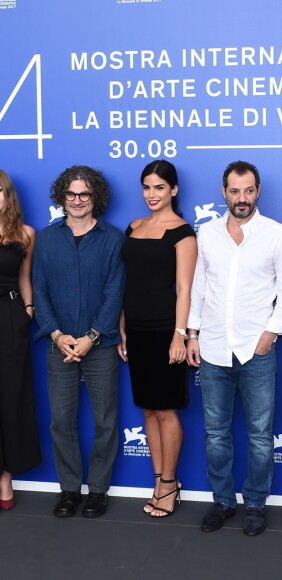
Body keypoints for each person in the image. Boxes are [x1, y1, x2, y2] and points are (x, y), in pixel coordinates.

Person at [186, 160, 282, 536]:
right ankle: (222, 501)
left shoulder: (276, 234)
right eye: (234, 191)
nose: (242, 198)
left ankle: (254, 504)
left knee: (261, 436)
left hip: (257, 351)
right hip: (213, 348)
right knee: (215, 433)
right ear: (223, 192)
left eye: (248, 190)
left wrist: (271, 335)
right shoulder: (207, 234)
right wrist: (192, 334)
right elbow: (200, 288)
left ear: (258, 191)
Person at [33, 166, 125, 518]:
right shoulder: (46, 238)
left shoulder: (113, 239)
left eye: (84, 194)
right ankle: (69, 490)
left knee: (105, 420)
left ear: (95, 197)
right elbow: (39, 290)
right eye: (71, 194)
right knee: (61, 420)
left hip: (98, 346)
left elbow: (114, 293)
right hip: (58, 344)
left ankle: (98, 491)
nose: (77, 201)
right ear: (62, 197)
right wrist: (57, 335)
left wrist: (90, 337)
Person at [118, 160, 196, 518]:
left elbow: (184, 289)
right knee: (147, 408)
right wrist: (121, 324)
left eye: (159, 188)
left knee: (166, 410)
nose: (152, 194)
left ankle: (169, 484)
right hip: (135, 328)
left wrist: (179, 336)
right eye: (147, 187)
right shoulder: (133, 227)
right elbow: (127, 281)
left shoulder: (183, 233)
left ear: (174, 190)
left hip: (166, 331)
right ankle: (158, 479)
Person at [0, 169, 41, 510]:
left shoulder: (25, 234)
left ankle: (5, 477)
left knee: (11, 397)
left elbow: (25, 278)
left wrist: (28, 310)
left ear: (7, 194)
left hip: (11, 318)